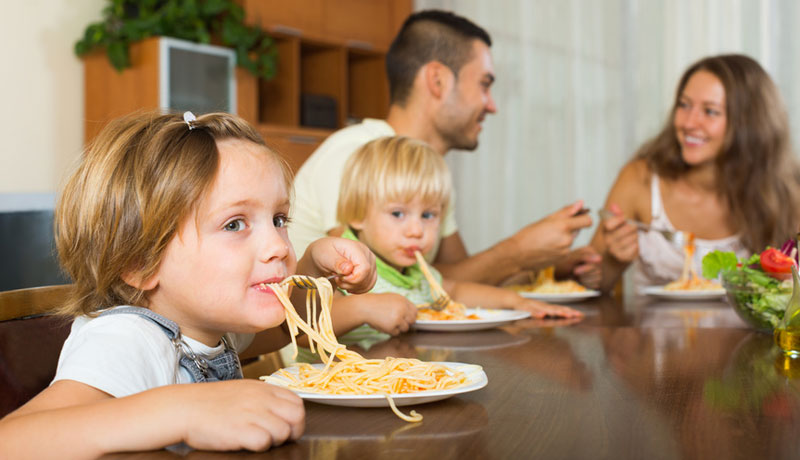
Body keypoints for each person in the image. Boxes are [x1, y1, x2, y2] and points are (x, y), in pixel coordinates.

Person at [0, 111, 377, 457]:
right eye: (235, 224)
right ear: (141, 261)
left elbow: (286, 327)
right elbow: (12, 440)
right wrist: (181, 410)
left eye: (279, 219)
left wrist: (314, 265)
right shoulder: (128, 339)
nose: (278, 246)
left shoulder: (207, 326)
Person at [290, 9, 599, 288]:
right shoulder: (356, 155)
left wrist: (545, 264)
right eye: (484, 84)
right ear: (437, 80)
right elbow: (382, 288)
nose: (492, 106)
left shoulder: (427, 172)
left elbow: (452, 277)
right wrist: (518, 251)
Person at [333, 136, 583, 342]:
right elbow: (305, 324)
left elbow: (454, 289)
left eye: (428, 215)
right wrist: (363, 308)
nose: (416, 230)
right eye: (398, 213)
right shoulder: (342, 261)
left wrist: (517, 302)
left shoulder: (414, 272)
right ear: (357, 213)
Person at [591, 54, 800, 292]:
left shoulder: (789, 192)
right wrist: (613, 258)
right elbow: (590, 283)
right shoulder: (640, 178)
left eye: (710, 111)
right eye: (684, 105)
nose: (689, 123)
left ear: (750, 124)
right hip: (653, 330)